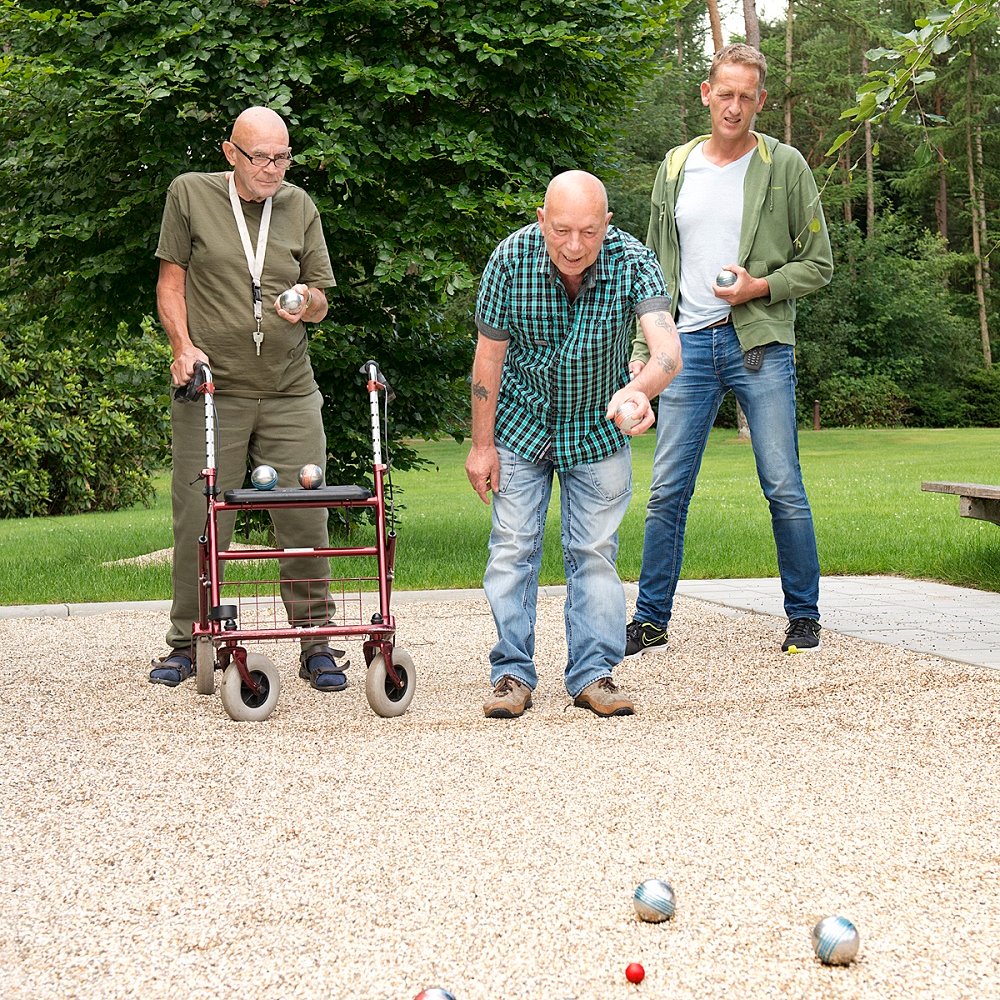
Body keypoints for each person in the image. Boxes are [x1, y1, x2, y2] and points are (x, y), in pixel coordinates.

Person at [626, 43, 833, 660]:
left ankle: (803, 618)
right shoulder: (675, 166)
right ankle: (652, 621)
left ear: (760, 101)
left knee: (783, 485)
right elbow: (653, 269)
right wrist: (644, 351)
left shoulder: (786, 166)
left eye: (747, 95)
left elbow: (818, 264)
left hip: (757, 345)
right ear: (706, 94)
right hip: (683, 346)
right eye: (726, 93)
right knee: (667, 491)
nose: (735, 105)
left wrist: (758, 287)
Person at [466, 170, 682, 719]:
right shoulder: (509, 261)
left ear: (606, 225)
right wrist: (481, 446)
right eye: (561, 230)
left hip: (597, 425)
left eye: (589, 232)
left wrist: (638, 393)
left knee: (595, 554)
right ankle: (511, 674)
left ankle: (594, 675)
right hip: (522, 422)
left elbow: (667, 353)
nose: (573, 245)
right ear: (542, 220)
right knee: (513, 548)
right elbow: (488, 361)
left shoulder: (633, 260)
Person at [149, 106, 348, 693]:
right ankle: (190, 640)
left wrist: (305, 300)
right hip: (212, 389)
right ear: (229, 152)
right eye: (260, 156)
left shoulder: (299, 206)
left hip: (289, 388)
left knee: (305, 511)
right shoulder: (189, 195)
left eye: (282, 156)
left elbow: (322, 300)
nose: (272, 168)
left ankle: (314, 641)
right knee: (200, 518)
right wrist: (182, 345)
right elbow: (171, 283)